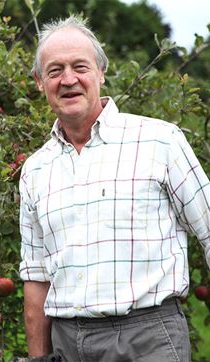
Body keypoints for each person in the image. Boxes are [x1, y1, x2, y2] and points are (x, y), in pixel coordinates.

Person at [20, 14, 210, 362]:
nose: (68, 80)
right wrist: (39, 358)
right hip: (67, 343)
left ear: (101, 72)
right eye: (54, 70)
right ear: (39, 81)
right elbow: (36, 276)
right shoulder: (35, 169)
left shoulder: (159, 141)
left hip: (148, 339)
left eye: (80, 66)